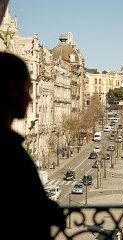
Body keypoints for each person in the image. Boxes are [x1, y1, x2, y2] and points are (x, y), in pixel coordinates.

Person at [0, 52, 65, 240]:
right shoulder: (7, 151)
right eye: (27, 89)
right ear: (10, 91)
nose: (30, 99)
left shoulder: (10, 145)